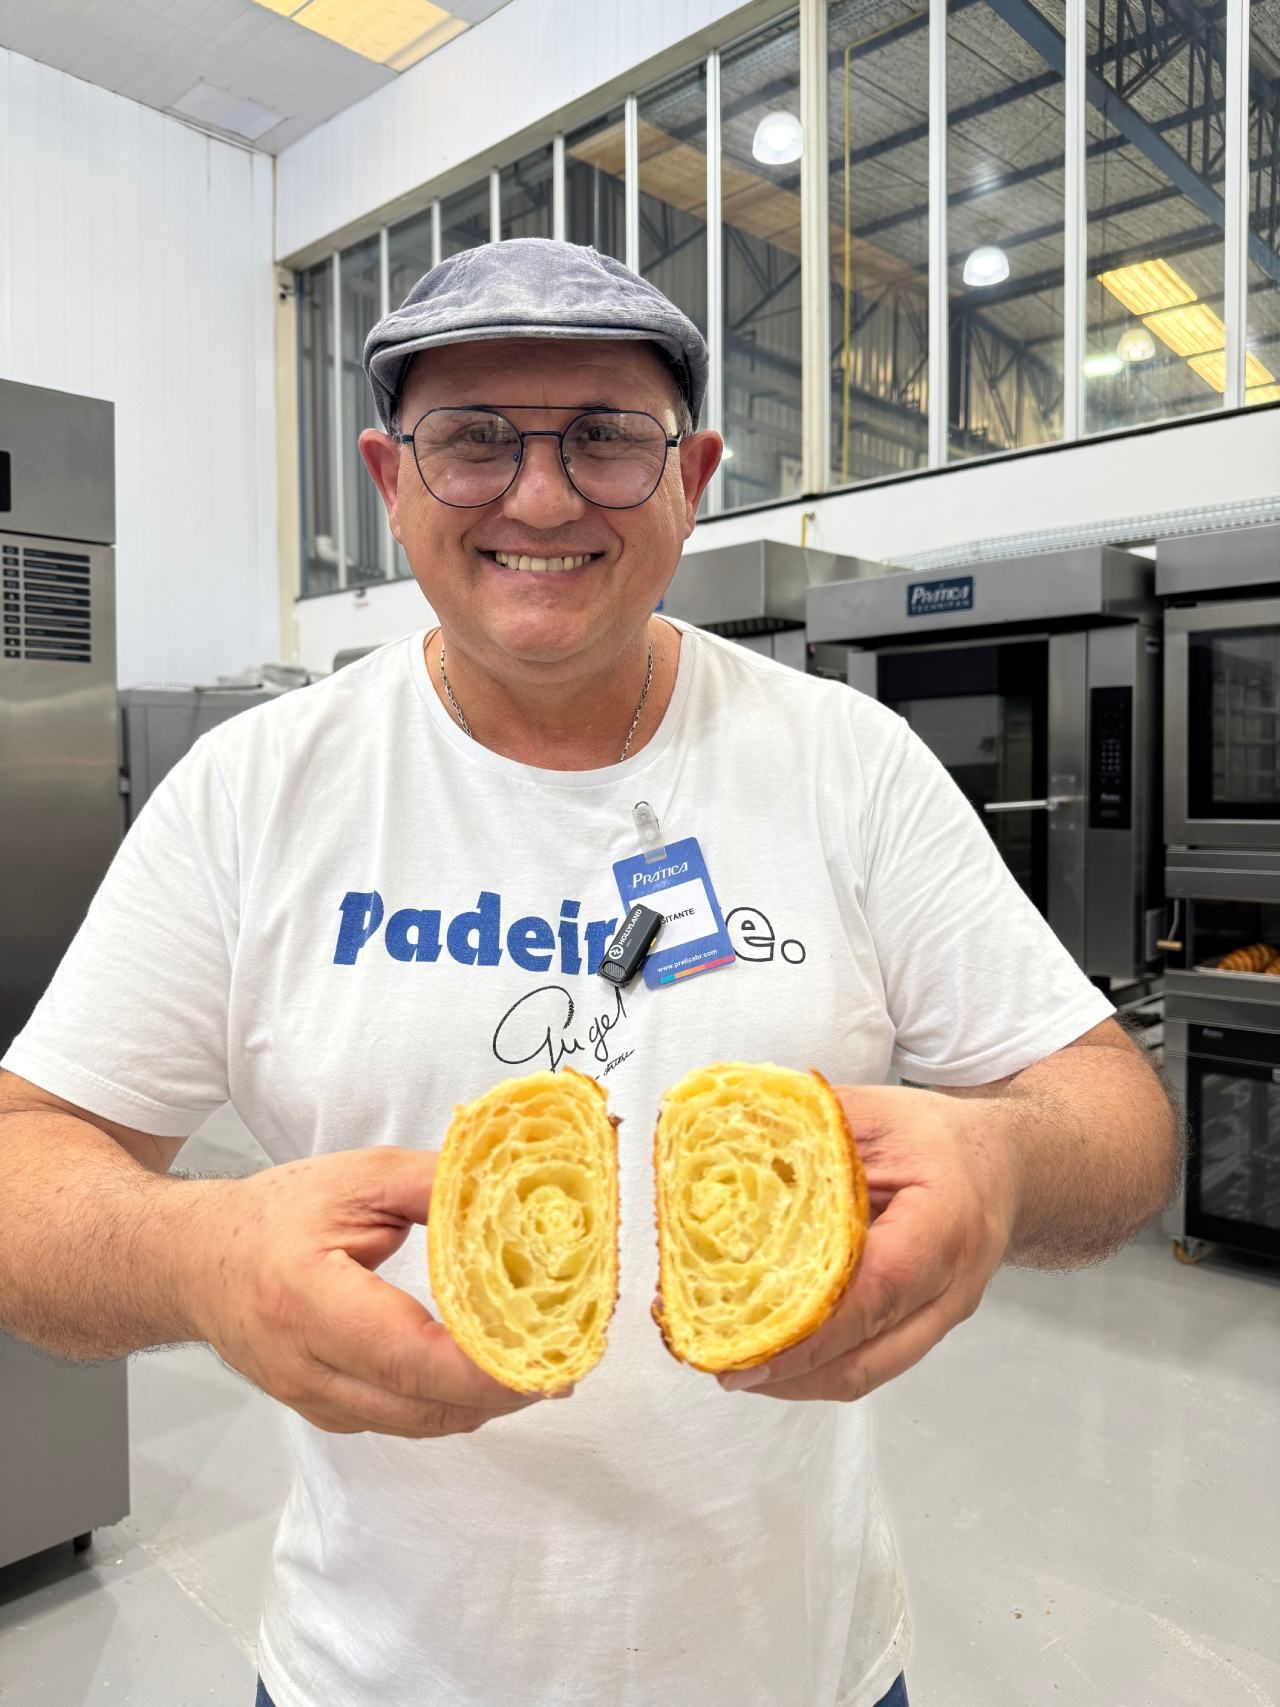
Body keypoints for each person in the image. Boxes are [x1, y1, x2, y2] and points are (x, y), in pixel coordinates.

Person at [0, 239, 1177, 1707]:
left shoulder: (846, 765)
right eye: (473, 439)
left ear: (691, 473)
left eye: (607, 439)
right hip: (378, 1678)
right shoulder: (257, 791)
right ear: (388, 480)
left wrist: (999, 1161)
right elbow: (27, 1163)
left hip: (799, 1674)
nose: (542, 497)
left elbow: (1116, 1118)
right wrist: (202, 1257)